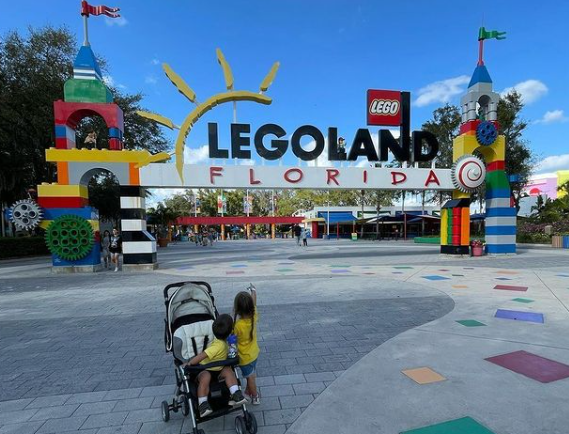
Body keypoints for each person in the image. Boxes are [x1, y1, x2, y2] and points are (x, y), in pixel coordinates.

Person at [184, 314, 247, 417]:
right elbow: (202, 355)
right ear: (230, 331)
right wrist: (190, 363)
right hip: (205, 369)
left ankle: (235, 393)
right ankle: (203, 404)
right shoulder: (217, 346)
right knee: (205, 377)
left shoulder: (226, 341)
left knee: (228, 371)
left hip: (219, 369)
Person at [233, 285, 260, 405]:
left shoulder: (237, 325)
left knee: (250, 378)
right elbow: (254, 303)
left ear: (237, 309)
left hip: (244, 358)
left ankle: (255, 396)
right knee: (251, 375)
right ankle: (248, 392)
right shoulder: (254, 316)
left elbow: (232, 340)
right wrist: (253, 291)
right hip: (254, 354)